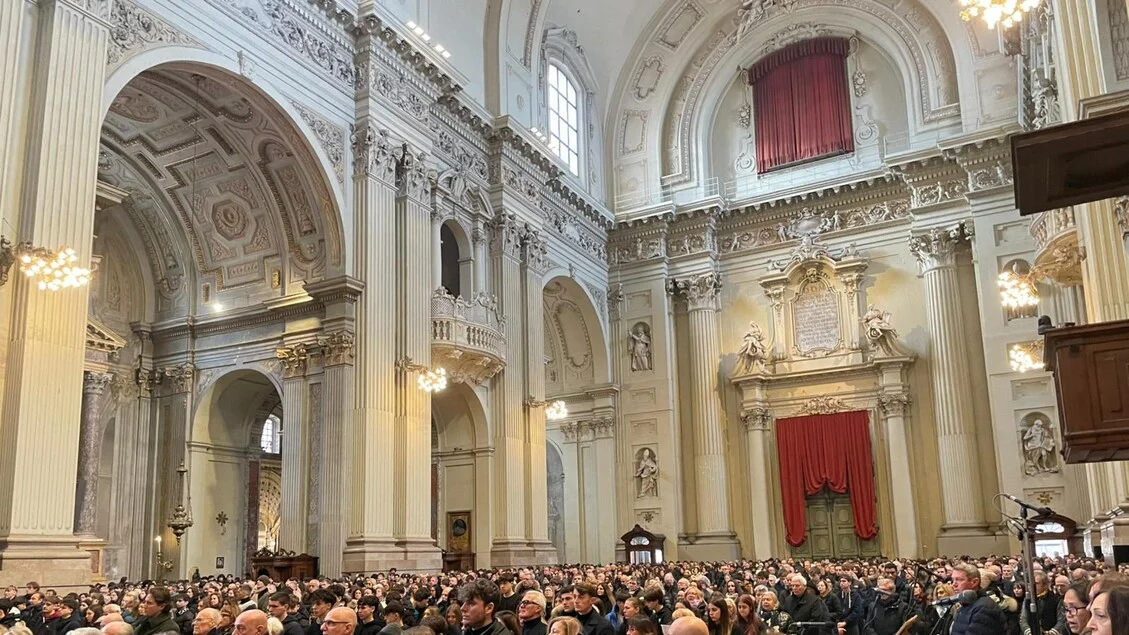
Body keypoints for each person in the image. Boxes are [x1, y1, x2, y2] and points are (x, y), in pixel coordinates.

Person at [950, 564, 1005, 635]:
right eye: (953, 580)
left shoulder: (984, 608)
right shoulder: (966, 604)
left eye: (959, 580)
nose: (953, 584)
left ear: (974, 582)